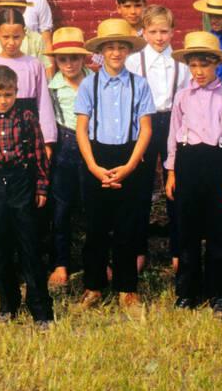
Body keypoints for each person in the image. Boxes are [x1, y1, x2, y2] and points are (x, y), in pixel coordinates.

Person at [75, 19, 153, 313]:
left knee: (127, 226)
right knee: (96, 226)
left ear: (129, 51)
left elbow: (145, 128)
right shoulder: (89, 84)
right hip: (97, 157)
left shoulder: (139, 84)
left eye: (122, 47)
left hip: (129, 158)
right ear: (102, 51)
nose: (116, 53)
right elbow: (81, 128)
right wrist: (94, 167)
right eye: (111, 47)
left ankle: (127, 288)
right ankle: (93, 285)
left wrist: (131, 165)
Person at [165, 31, 222, 317]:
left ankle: (219, 293)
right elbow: (173, 136)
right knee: (187, 231)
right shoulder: (182, 97)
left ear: (216, 65)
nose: (199, 72)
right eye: (194, 65)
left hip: (217, 163)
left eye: (205, 65)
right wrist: (172, 171)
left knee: (218, 231)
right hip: (188, 162)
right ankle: (187, 292)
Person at [0, 65, 53, 326]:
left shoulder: (27, 119)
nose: (2, 101)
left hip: (22, 183)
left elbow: (40, 156)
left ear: (16, 92)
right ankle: (7, 303)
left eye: (7, 95)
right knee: (0, 248)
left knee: (30, 247)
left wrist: (41, 187)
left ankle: (40, 308)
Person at [124, 4, 190, 271]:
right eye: (153, 31)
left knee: (176, 185)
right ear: (144, 31)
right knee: (140, 187)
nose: (159, 37)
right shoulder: (134, 61)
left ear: (173, 32)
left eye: (164, 31)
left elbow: (185, 100)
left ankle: (178, 250)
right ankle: (138, 250)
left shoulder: (181, 63)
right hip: (144, 123)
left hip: (172, 121)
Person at [45, 26, 91, 289]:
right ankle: (61, 262)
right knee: (61, 208)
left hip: (91, 147)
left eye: (75, 57)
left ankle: (94, 260)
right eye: (63, 59)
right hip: (64, 145)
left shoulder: (94, 81)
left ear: (83, 58)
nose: (70, 63)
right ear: (56, 61)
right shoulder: (52, 86)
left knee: (93, 208)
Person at [0, 6, 56, 153]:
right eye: (5, 37)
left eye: (16, 37)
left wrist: (47, 140)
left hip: (29, 131)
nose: (11, 42)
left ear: (24, 33)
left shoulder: (34, 64)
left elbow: (44, 103)